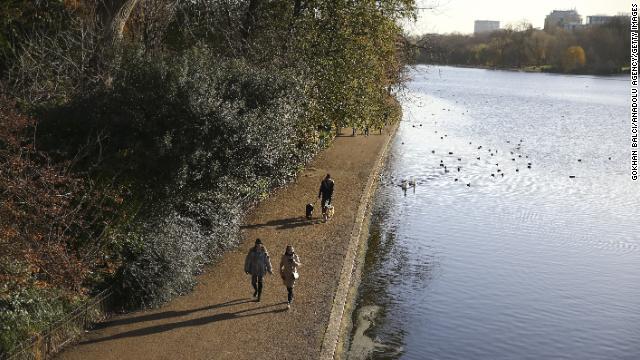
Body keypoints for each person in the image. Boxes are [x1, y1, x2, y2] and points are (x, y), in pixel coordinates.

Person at [279, 245, 301, 309]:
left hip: (292, 275)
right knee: (288, 288)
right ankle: (292, 296)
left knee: (290, 288)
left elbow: (299, 264)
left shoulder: (295, 256)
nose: (291, 251)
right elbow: (281, 265)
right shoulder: (284, 257)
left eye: (292, 250)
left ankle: (289, 301)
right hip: (286, 275)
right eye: (289, 250)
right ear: (287, 250)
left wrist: (294, 262)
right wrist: (281, 273)